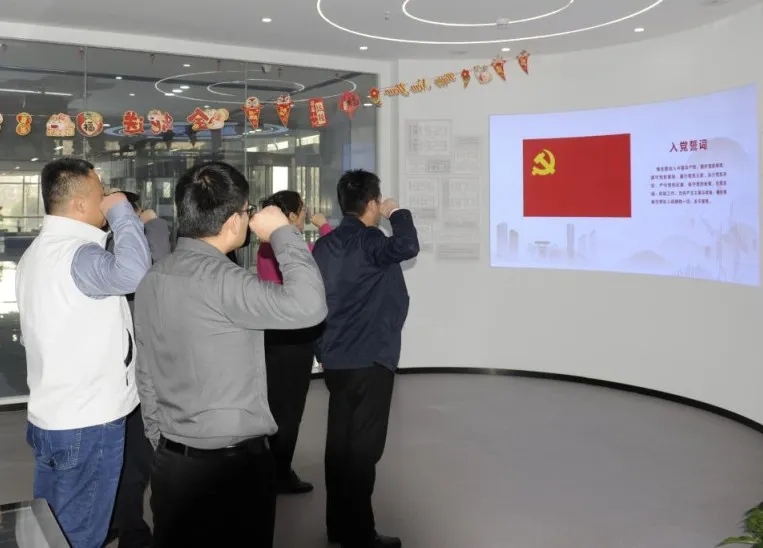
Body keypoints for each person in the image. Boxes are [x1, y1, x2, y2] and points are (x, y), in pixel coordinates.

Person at [133, 161, 327, 547]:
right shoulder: (227, 281)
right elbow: (310, 305)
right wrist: (283, 233)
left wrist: (161, 443)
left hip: (172, 464)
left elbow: (146, 371)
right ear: (234, 220)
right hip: (232, 469)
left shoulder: (153, 278)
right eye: (247, 210)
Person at [15, 158, 151, 548]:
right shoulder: (79, 254)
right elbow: (135, 273)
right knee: (81, 535)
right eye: (100, 192)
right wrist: (122, 212)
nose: (105, 197)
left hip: (51, 417)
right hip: (88, 422)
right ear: (78, 204)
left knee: (49, 529)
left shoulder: (37, 253)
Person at [312, 169, 419, 548]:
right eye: (379, 201)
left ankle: (339, 528)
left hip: (337, 361)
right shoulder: (371, 241)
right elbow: (407, 246)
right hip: (370, 360)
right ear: (372, 203)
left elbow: (314, 303)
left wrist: (321, 351)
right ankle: (360, 534)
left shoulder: (324, 246)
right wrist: (397, 213)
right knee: (363, 452)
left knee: (339, 448)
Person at [104, 191, 171, 548]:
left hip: (119, 368)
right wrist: (155, 226)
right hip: (140, 370)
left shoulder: (101, 246)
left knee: (125, 455)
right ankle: (131, 528)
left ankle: (119, 521)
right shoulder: (131, 251)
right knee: (141, 456)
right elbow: (158, 273)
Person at [256, 190, 332, 494]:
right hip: (293, 337)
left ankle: (269, 470)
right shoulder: (294, 249)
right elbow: (329, 252)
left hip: (270, 335)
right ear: (289, 216)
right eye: (302, 211)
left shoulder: (264, 247)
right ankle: (280, 474)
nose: (305, 215)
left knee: (274, 406)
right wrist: (323, 224)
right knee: (289, 411)